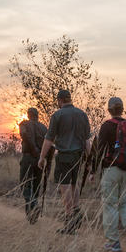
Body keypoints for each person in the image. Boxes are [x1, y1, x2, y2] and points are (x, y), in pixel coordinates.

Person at [40, 89, 92, 235]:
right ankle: (76, 210)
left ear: (60, 100)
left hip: (64, 155)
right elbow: (87, 141)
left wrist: (42, 157)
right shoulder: (82, 114)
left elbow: (49, 139)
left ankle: (69, 218)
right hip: (78, 156)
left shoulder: (57, 115)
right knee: (74, 183)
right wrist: (90, 160)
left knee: (65, 186)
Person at [92, 97, 126, 252]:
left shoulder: (107, 126)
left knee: (110, 204)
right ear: (122, 109)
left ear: (109, 110)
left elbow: (99, 150)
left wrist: (93, 170)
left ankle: (113, 242)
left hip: (111, 170)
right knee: (124, 203)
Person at [18, 108, 52, 224]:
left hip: (28, 158)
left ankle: (34, 205)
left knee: (25, 185)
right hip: (40, 160)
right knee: (36, 186)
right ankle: (31, 216)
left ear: (28, 115)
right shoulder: (44, 128)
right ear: (37, 115)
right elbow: (50, 144)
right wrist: (47, 164)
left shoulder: (24, 124)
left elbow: (24, 135)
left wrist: (34, 150)